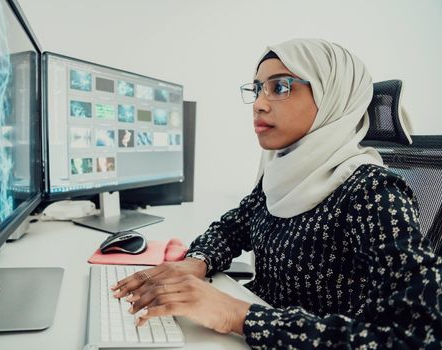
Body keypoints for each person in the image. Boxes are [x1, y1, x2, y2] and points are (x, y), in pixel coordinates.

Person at [110, 38, 442, 349]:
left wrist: (237, 315)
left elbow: (420, 335)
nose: (258, 104)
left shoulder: (374, 193)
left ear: (331, 96)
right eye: (256, 90)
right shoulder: (281, 171)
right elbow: (234, 225)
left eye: (279, 87)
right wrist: (198, 261)